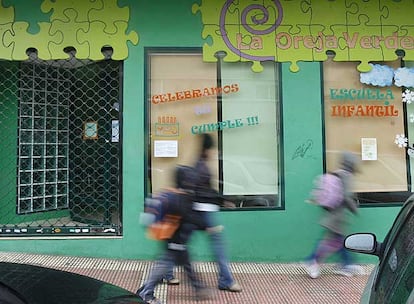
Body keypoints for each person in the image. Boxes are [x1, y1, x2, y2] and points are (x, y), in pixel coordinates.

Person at [165, 133, 242, 292]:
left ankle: (167, 272)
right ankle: (226, 280)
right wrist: (220, 201)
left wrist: (221, 200)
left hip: (202, 212)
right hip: (202, 213)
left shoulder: (200, 165)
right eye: (212, 149)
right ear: (207, 150)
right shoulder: (201, 167)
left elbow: (206, 190)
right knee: (216, 245)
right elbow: (201, 192)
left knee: (180, 243)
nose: (214, 153)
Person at [136, 165, 217, 304]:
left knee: (185, 262)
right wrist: (206, 227)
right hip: (175, 239)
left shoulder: (171, 193)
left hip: (171, 237)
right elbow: (190, 217)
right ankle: (146, 293)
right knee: (164, 264)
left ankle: (199, 289)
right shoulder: (182, 197)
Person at [303, 151, 363, 278]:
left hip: (333, 214)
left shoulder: (338, 173)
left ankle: (346, 264)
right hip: (337, 216)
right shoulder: (346, 176)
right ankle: (312, 260)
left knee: (338, 241)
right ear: (351, 164)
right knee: (336, 241)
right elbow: (346, 197)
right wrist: (354, 209)